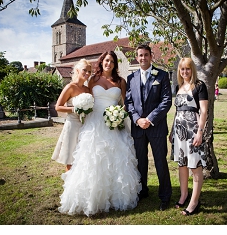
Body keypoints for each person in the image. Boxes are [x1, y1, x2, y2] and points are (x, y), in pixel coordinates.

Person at [59, 51, 141, 215]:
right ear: (102, 62)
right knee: (93, 159)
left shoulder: (120, 81)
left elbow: (125, 104)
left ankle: (115, 196)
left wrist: (119, 114)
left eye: (112, 61)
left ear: (115, 64)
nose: (109, 64)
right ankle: (91, 197)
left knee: (116, 159)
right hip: (94, 123)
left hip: (113, 123)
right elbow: (88, 99)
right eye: (106, 60)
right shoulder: (93, 80)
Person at [125, 44, 173, 210]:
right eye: (140, 55)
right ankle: (142, 191)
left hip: (156, 127)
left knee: (160, 162)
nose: (143, 58)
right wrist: (137, 119)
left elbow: (166, 100)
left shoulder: (162, 75)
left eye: (146, 55)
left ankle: (165, 195)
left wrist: (150, 119)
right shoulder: (131, 78)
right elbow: (129, 102)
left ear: (151, 56)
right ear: (136, 57)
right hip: (138, 128)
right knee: (140, 161)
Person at [172, 58, 209, 216]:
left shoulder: (200, 86)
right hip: (179, 132)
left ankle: (194, 202)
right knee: (182, 165)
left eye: (187, 68)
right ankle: (184, 195)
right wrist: (172, 132)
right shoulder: (178, 87)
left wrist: (200, 132)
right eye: (182, 69)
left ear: (192, 69)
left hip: (193, 131)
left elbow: (204, 111)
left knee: (195, 166)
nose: (185, 71)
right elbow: (177, 111)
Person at [52, 59, 92, 171]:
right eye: (85, 70)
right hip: (72, 125)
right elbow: (58, 107)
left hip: (85, 126)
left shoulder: (87, 90)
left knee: (82, 157)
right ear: (77, 70)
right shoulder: (70, 87)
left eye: (89, 71)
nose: (87, 73)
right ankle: (69, 179)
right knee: (70, 158)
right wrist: (74, 109)